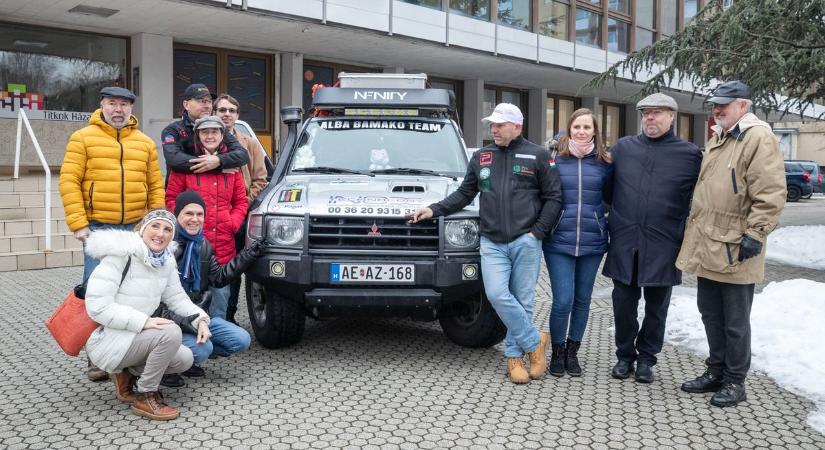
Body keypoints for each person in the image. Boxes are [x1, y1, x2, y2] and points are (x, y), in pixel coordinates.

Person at [408, 103, 562, 384]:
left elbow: (554, 198)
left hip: (525, 241)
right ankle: (534, 341)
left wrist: (537, 233)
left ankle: (514, 358)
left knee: (523, 301)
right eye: (492, 124)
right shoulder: (482, 157)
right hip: (492, 242)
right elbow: (464, 194)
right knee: (497, 294)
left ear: (517, 127)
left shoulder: (538, 156)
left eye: (500, 124)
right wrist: (434, 209)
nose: (494, 129)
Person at [677, 80, 786, 407]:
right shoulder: (721, 137)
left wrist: (756, 233)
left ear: (743, 105)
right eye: (714, 105)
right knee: (710, 314)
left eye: (723, 104)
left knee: (735, 322)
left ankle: (735, 382)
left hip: (737, 246)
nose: (716, 110)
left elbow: (770, 193)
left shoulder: (757, 137)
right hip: (708, 243)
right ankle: (716, 371)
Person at [59, 86, 165, 382]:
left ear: (132, 109)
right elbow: (69, 181)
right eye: (112, 103)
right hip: (98, 227)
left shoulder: (144, 143)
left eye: (124, 105)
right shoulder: (82, 138)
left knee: (131, 289)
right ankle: (96, 355)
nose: (118, 109)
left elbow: (155, 185)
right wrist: (79, 223)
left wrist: (155, 223)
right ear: (102, 106)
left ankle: (128, 350)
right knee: (96, 290)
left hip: (135, 228)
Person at [602, 93, 702, 384]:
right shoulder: (623, 149)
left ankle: (646, 359)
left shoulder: (689, 155)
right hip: (626, 241)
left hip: (664, 244)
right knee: (623, 304)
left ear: (672, 116)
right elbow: (608, 190)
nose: (650, 118)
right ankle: (624, 356)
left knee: (657, 308)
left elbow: (700, 197)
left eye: (657, 113)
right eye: (646, 113)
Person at [83, 209, 211, 420]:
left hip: (135, 339)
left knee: (185, 358)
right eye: (155, 226)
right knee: (170, 332)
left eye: (168, 229)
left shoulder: (165, 261)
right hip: (109, 341)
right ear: (142, 229)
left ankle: (126, 374)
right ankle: (145, 395)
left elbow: (177, 299)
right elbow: (97, 306)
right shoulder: (120, 256)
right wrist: (144, 321)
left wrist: (200, 320)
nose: (161, 234)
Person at [157, 190, 261, 387]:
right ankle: (166, 368)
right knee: (203, 349)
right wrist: (191, 324)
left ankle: (187, 360)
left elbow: (219, 278)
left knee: (241, 339)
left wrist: (247, 256)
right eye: (188, 214)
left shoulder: (202, 245)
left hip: (198, 316)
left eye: (199, 214)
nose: (194, 219)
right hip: (168, 321)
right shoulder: (164, 247)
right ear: (176, 215)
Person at [541, 109, 613, 377]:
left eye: (587, 127)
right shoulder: (555, 159)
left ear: (595, 131)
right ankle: (557, 351)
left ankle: (573, 353)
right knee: (563, 300)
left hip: (593, 240)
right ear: (569, 129)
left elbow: (610, 196)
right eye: (577, 127)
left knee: (582, 300)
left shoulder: (605, 162)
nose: (582, 131)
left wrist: (598, 217)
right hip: (559, 239)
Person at [165, 116, 249, 320]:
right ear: (197, 135)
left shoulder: (232, 168)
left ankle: (217, 340)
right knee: (188, 302)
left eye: (215, 132)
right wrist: (185, 225)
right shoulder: (185, 165)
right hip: (191, 249)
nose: (210, 136)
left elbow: (241, 201)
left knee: (220, 300)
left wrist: (232, 223)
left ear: (222, 136)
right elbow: (171, 199)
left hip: (222, 246)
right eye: (205, 132)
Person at [214, 93, 268, 325]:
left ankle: (229, 315)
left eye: (231, 110)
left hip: (238, 215)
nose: (226, 114)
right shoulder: (204, 141)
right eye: (222, 110)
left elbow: (261, 179)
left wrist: (243, 204)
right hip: (209, 216)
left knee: (233, 266)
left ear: (237, 115)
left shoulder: (250, 143)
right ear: (214, 113)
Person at [161, 83, 249, 175]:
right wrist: (214, 167)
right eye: (202, 101)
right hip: (182, 187)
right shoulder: (172, 130)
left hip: (215, 187)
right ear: (186, 105)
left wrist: (219, 160)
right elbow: (174, 159)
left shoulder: (218, 129)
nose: (207, 106)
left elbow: (242, 155)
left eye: (209, 101)